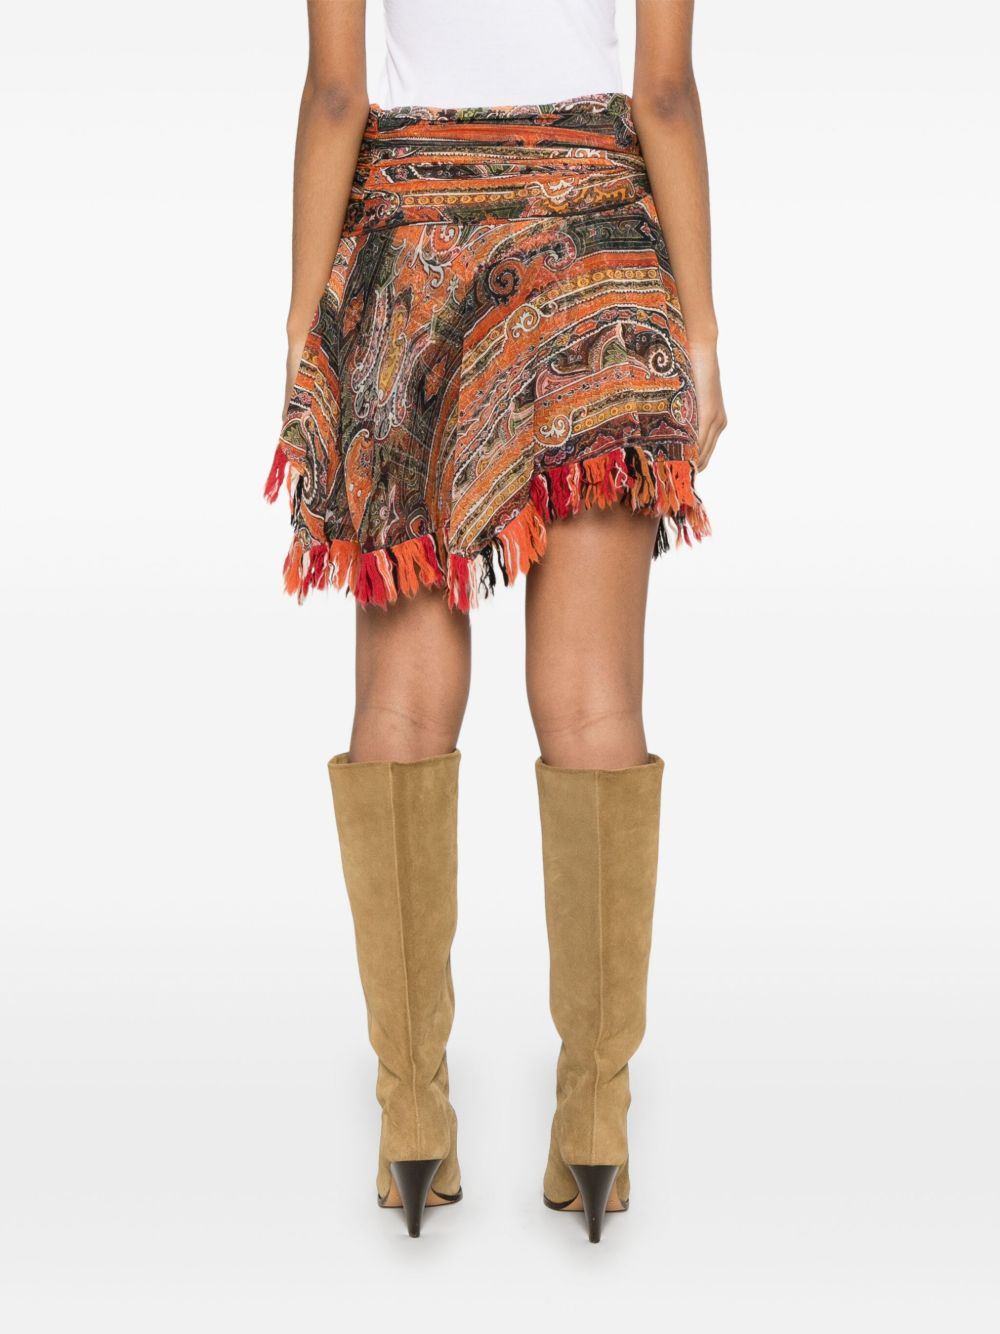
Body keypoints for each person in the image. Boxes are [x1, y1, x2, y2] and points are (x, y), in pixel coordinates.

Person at [263, 0, 726, 1242]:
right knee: (593, 700)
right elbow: (663, 92)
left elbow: (334, 94)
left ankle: (412, 1116)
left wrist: (306, 335)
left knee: (399, 700)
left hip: (411, 253)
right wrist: (700, 332)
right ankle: (595, 1126)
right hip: (593, 248)